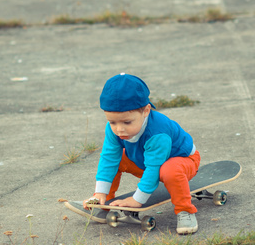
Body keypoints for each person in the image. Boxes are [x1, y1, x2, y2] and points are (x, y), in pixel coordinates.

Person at [67, 73, 201, 234]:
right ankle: (104, 204)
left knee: (169, 169)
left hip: (183, 162)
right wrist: (99, 193)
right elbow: (109, 158)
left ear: (146, 110)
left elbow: (154, 168)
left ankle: (185, 211)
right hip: (144, 160)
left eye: (126, 122)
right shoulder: (113, 129)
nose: (119, 129)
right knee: (118, 159)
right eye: (113, 122)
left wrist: (138, 200)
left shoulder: (158, 133)